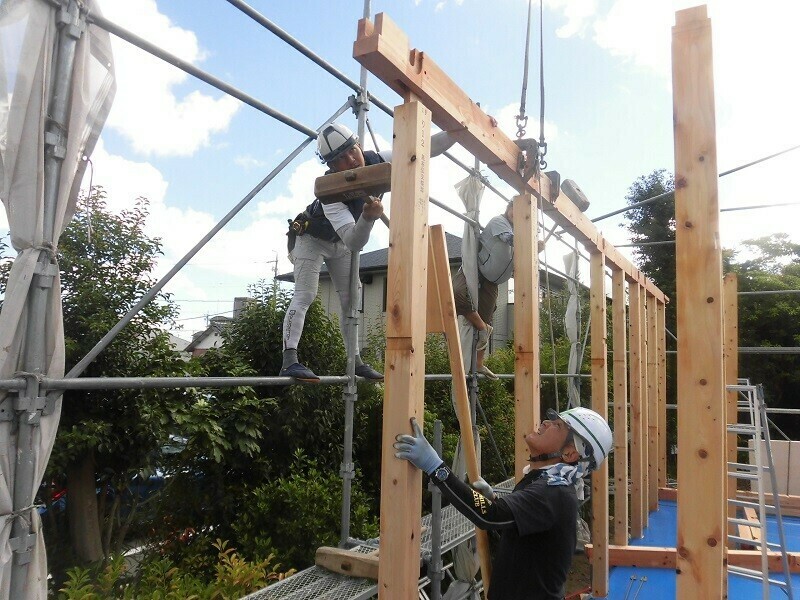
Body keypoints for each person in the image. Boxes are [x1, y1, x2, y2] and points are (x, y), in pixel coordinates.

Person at [281, 122, 454, 382]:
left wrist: (457, 131)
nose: (351, 160)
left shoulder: (378, 161)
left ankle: (355, 361)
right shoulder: (330, 192)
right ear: (331, 165)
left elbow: (423, 148)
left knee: (353, 298)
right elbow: (354, 241)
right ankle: (289, 360)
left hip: (339, 241)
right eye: (341, 158)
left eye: (352, 150)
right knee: (306, 294)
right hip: (311, 239)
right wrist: (368, 217)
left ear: (359, 146)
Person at [394, 406, 613, 600]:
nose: (546, 422)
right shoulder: (544, 481)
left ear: (570, 453)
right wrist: (495, 500)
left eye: (557, 425)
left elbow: (490, 515)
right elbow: (519, 529)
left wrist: (436, 468)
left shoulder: (553, 492)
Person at [453, 202, 543, 380]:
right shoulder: (499, 222)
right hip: (475, 269)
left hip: (492, 282)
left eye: (520, 214)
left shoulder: (522, 235)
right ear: (508, 208)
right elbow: (510, 239)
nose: (514, 214)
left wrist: (534, 250)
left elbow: (521, 260)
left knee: (486, 315)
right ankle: (481, 327)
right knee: (456, 293)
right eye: (513, 209)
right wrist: (533, 244)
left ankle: (479, 363)